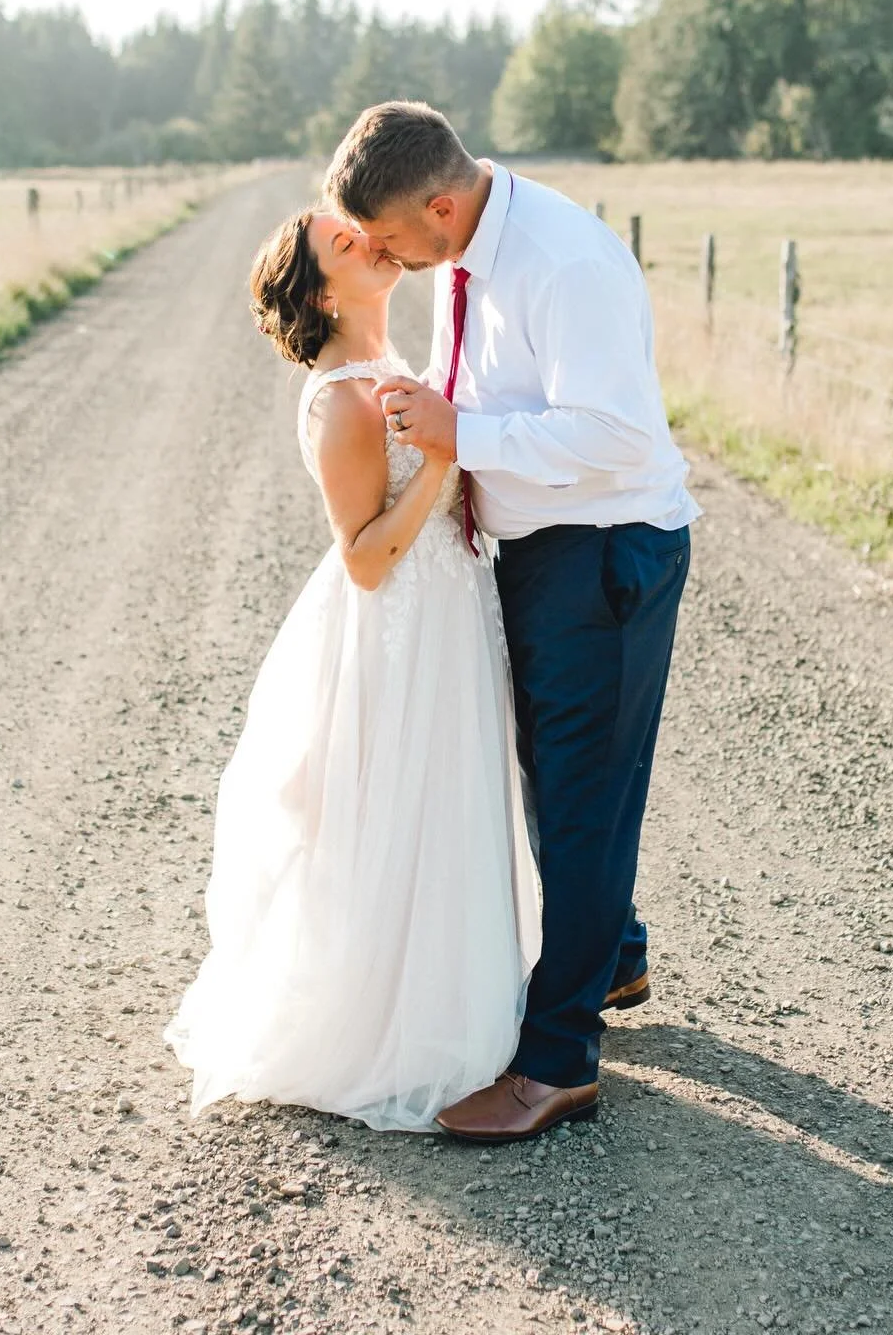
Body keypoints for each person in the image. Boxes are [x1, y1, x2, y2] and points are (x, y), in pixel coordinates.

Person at [324, 101, 697, 1144]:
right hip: (541, 552)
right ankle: (614, 954)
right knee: (552, 771)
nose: (385, 258)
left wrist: (462, 433)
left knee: (581, 801)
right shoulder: (463, 245)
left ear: (441, 203)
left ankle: (558, 1063)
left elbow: (616, 436)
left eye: (394, 239)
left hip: (606, 550)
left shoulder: (560, 262)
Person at [162, 205, 540, 1132]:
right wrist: (444, 466)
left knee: (449, 803)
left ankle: (465, 994)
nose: (370, 238)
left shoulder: (399, 369)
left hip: (451, 615)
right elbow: (367, 558)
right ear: (325, 291)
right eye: (345, 242)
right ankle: (399, 1027)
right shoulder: (341, 398)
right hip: (396, 630)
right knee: (397, 808)